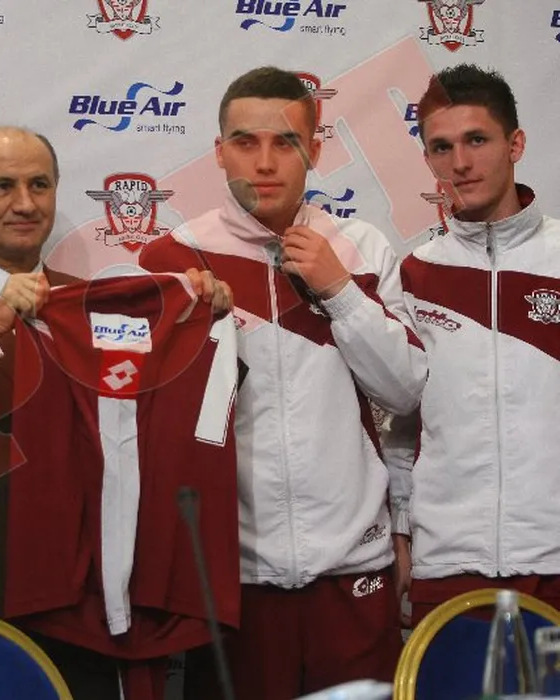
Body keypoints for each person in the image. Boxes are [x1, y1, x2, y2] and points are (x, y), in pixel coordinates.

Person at [0, 125, 231, 699]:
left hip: (85, 597)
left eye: (39, 185)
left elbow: (167, 411)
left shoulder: (100, 305)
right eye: (2, 186)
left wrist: (200, 324)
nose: (25, 203)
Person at [139, 66, 427, 699]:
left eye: (286, 143)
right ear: (219, 152)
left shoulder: (359, 246)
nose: (265, 163)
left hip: (355, 569)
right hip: (233, 580)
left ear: (315, 151)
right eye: (246, 142)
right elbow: (144, 424)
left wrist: (339, 290)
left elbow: (405, 392)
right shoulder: (172, 259)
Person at [391, 64, 560, 626]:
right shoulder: (416, 273)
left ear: (516, 144)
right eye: (442, 147)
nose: (460, 163)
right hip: (449, 563)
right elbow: (404, 425)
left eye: (477, 140)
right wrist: (400, 528)